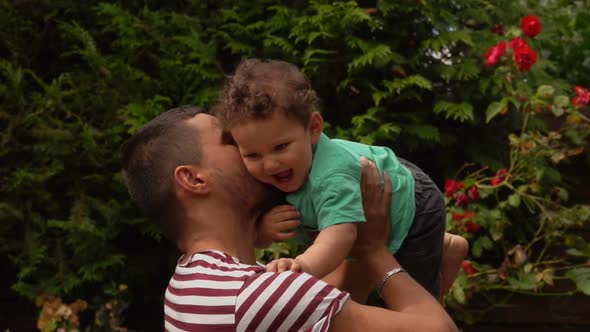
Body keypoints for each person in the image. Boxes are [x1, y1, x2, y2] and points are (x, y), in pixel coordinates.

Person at [121, 105, 459, 331]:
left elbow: (327, 306)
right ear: (194, 179)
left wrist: (348, 227)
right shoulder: (253, 296)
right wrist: (372, 249)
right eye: (230, 140)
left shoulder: (189, 288)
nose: (249, 146)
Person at [213, 59, 469, 301]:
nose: (269, 164)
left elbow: (341, 234)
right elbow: (254, 222)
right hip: (372, 201)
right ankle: (444, 244)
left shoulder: (332, 176)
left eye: (280, 147)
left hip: (414, 208)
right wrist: (264, 230)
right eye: (253, 154)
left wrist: (304, 265)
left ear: (313, 129)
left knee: (409, 294)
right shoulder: (271, 172)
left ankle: (439, 256)